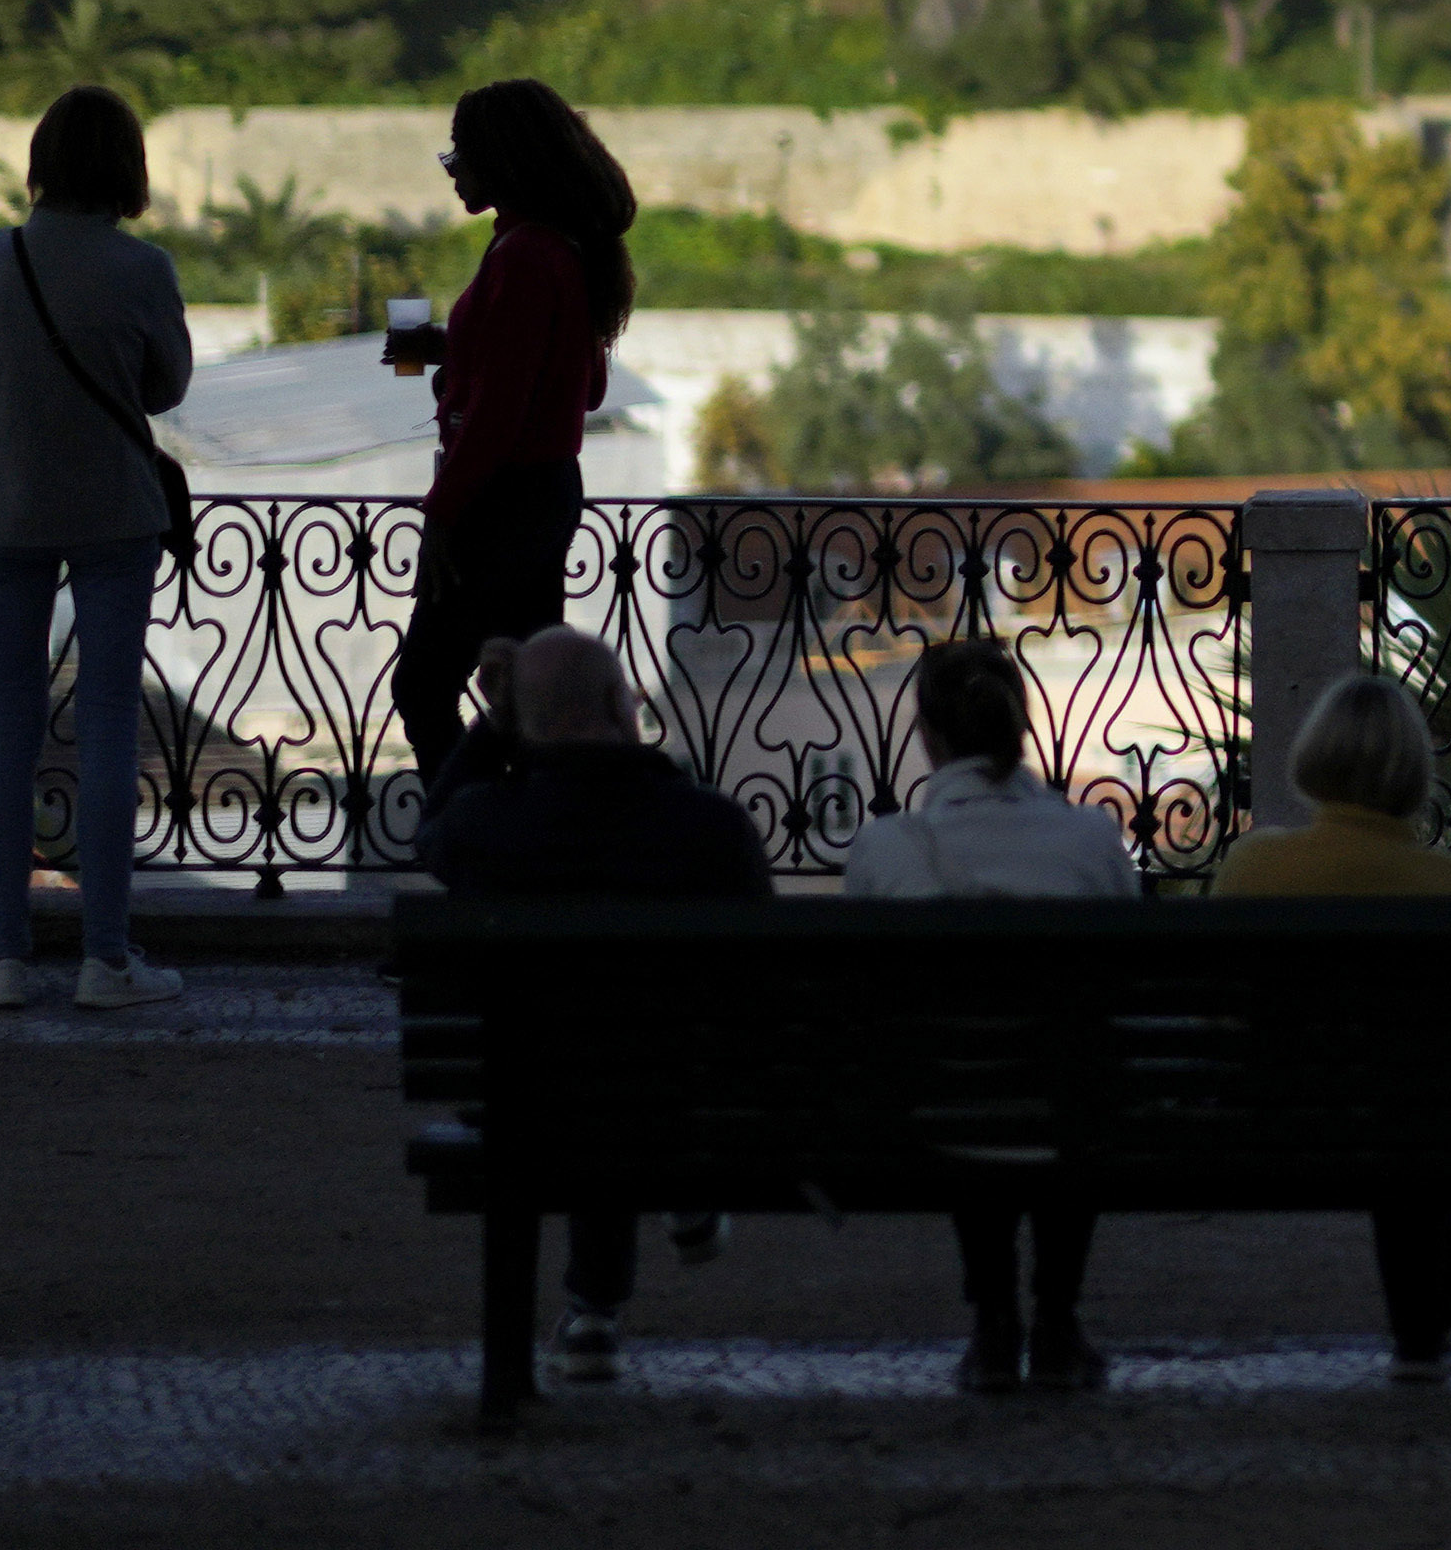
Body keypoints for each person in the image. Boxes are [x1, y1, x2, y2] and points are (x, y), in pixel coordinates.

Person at [421, 625, 767, 1383]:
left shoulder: (483, 828)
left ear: (523, 722)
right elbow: (758, 984)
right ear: (623, 703)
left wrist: (494, 726)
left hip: (522, 1100)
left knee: (576, 1066)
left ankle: (590, 1315)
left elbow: (428, 834)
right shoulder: (713, 830)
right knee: (631, 1061)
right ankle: (640, 1237)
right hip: (682, 1099)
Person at [0, 84, 199, 1012]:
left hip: (3, 509)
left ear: (42, 161)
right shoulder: (145, 268)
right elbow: (165, 389)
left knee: (8, 724)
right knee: (105, 723)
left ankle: (5, 959)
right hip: (112, 512)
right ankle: (107, 958)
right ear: (128, 169)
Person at [842, 636, 1138, 1393]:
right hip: (1073, 1108)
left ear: (927, 738)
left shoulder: (885, 848)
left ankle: (995, 1321)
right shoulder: (1091, 838)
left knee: (963, 1067)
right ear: (1021, 726)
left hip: (941, 1112)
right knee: (1063, 1066)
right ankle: (1058, 1317)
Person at [1220, 666, 1451, 1385]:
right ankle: (1424, 1329)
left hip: (1274, 1114)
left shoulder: (1252, 869)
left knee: (1390, 1093)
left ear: (1314, 758)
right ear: (1414, 771)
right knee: (1409, 1094)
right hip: (1428, 1122)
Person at [388, 78, 635, 815]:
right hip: (545, 494)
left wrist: (442, 513)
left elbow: (499, 410)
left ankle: (476, 830)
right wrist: (454, 348)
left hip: (502, 501)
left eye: (460, 154)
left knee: (426, 687)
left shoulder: (523, 256)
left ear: (500, 160)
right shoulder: (561, 249)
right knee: (527, 690)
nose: (454, 169)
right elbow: (578, 386)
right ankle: (539, 833)